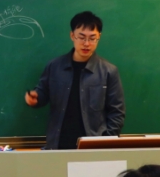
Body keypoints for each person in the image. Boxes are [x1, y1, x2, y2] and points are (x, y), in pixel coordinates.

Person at [25, 11, 125, 149]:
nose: (86, 43)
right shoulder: (54, 66)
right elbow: (42, 93)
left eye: (92, 38)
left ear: (99, 37)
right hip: (58, 144)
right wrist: (35, 99)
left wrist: (106, 142)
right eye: (81, 37)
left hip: (93, 146)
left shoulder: (109, 71)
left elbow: (117, 112)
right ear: (72, 35)